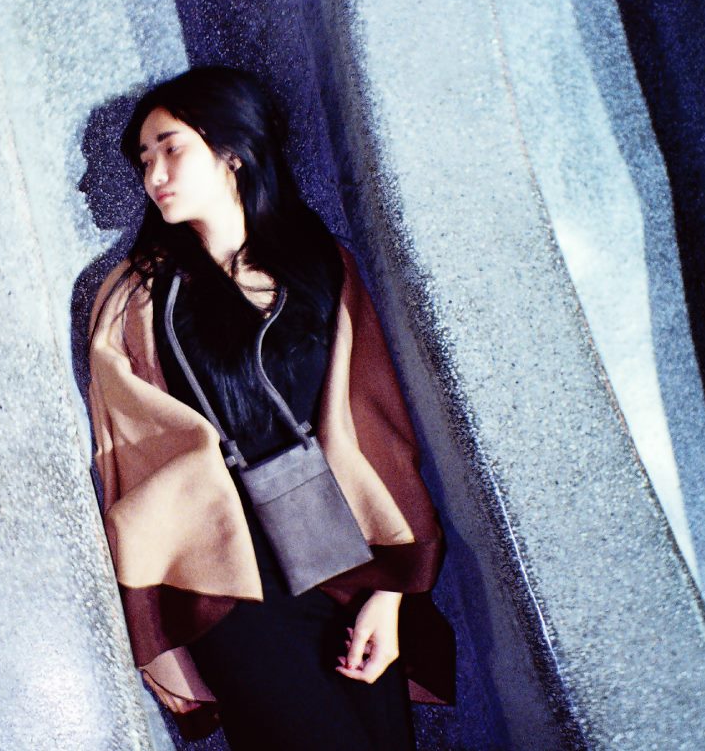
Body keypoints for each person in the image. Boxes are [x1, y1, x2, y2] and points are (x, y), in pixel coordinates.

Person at [85, 66, 455, 749]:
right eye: (143, 159)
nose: (154, 174)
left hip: (340, 559)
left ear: (233, 151)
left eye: (171, 148)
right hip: (229, 578)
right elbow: (129, 456)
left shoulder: (320, 267)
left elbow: (376, 429)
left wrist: (391, 592)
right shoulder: (138, 296)